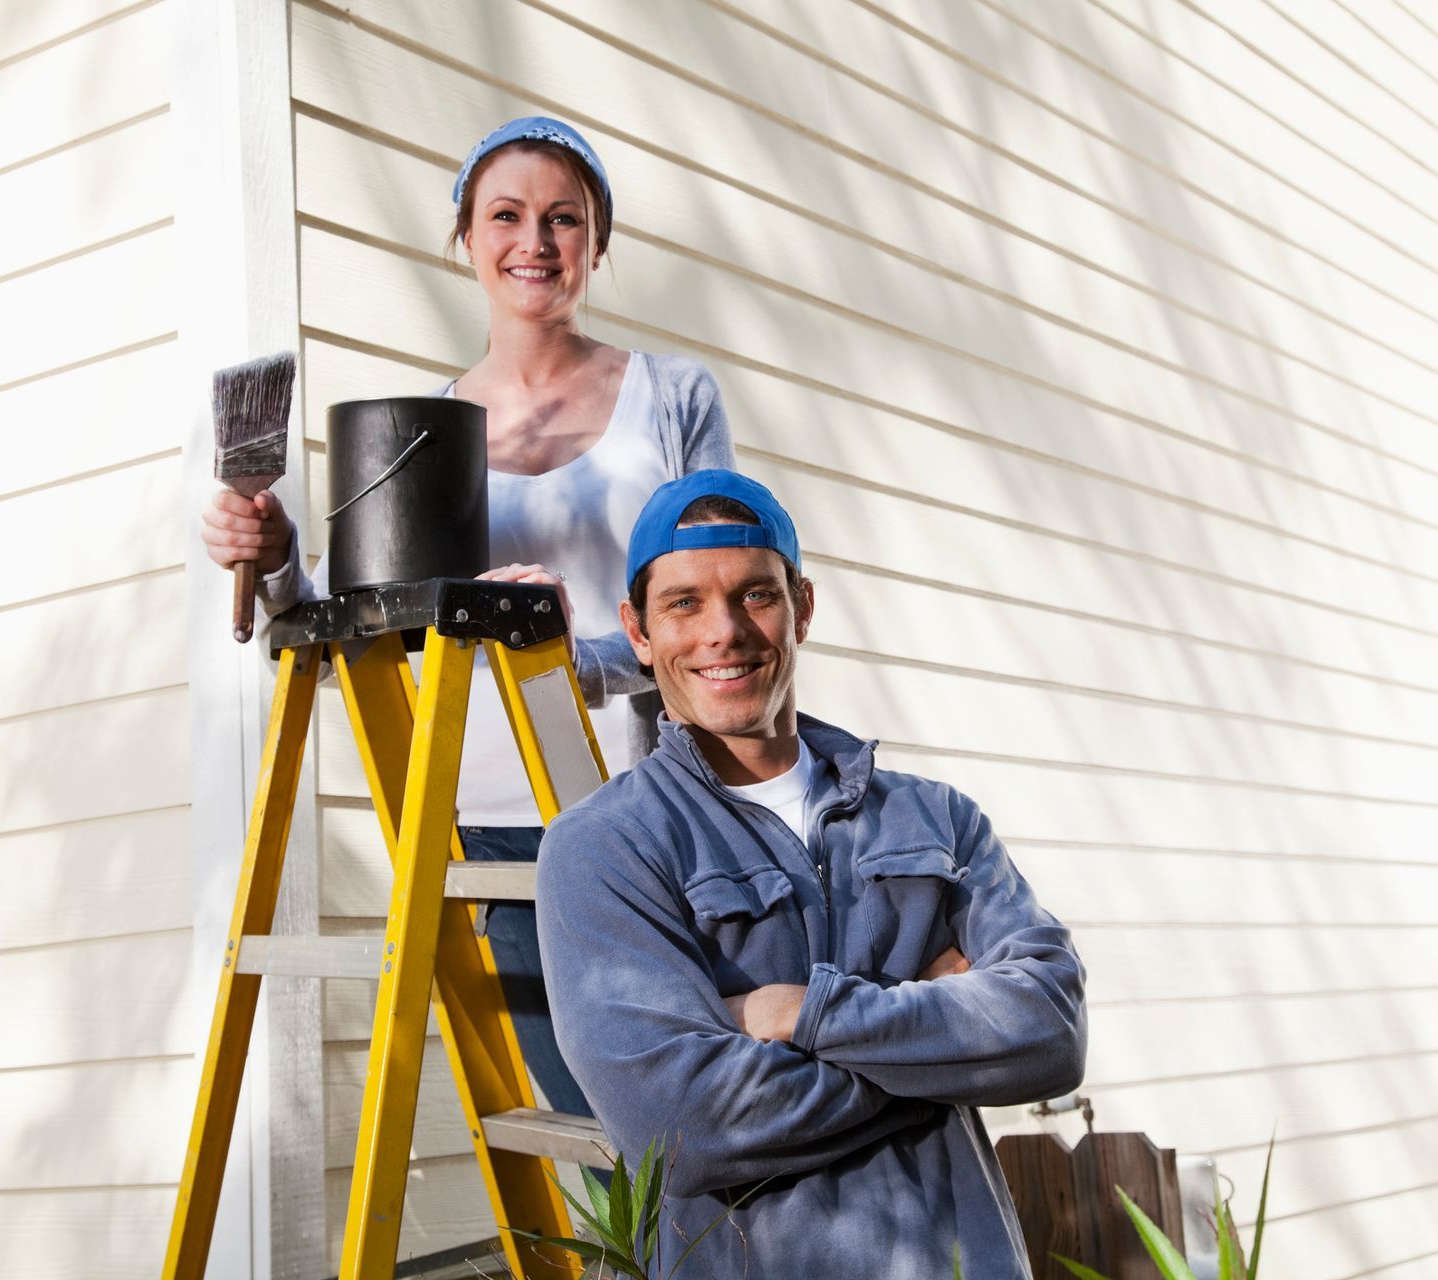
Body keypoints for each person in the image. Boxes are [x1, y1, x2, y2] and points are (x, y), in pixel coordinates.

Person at [199, 116, 735, 1120]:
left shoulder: (671, 396)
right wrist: (275, 561)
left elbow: (716, 610)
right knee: (583, 1111)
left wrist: (572, 657)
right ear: (465, 237)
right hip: (492, 815)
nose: (534, 241)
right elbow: (360, 614)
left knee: (687, 1097)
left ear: (597, 244)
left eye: (563, 219)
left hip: (649, 801)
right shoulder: (423, 429)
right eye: (507, 215)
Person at [535, 469, 1088, 1279]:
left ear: (803, 606)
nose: (723, 632)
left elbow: (1050, 1032)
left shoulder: (933, 818)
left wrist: (801, 1012)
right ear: (638, 631)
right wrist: (935, 1036)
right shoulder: (607, 847)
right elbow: (682, 1130)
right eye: (684, 603)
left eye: (755, 596)